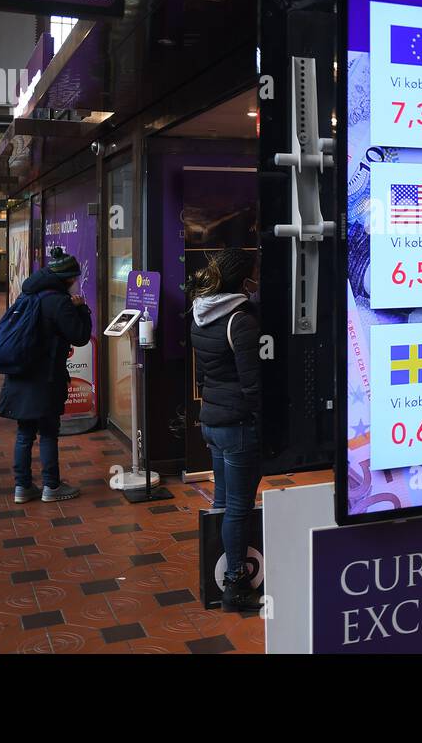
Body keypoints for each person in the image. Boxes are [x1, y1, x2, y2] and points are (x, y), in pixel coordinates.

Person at [187, 248, 262, 612]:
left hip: (213, 421)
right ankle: (235, 582)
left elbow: (204, 374)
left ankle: (216, 573)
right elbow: (252, 385)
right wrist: (263, 419)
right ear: (243, 279)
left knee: (221, 500)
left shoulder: (200, 315)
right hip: (237, 426)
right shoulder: (240, 320)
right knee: (238, 507)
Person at [0, 248, 90, 504]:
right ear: (68, 278)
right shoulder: (59, 302)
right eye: (74, 278)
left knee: (24, 432)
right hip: (46, 378)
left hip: (19, 374)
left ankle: (22, 487)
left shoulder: (27, 296)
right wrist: (82, 309)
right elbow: (80, 336)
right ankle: (51, 485)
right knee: (49, 431)